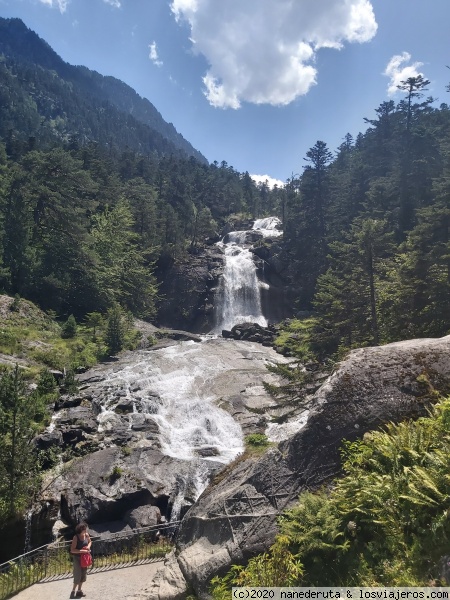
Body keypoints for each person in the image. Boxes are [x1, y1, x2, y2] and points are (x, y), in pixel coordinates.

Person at [70, 522, 92, 598]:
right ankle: (73, 590)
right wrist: (82, 551)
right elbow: (72, 550)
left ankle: (79, 590)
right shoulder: (76, 537)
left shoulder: (86, 535)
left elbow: (90, 542)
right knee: (77, 574)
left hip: (84, 558)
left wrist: (88, 547)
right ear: (80, 530)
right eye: (84, 529)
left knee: (83, 574)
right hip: (77, 558)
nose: (86, 530)